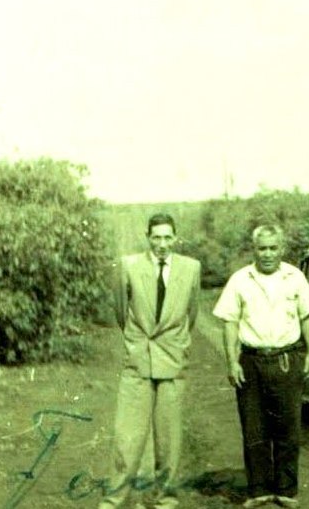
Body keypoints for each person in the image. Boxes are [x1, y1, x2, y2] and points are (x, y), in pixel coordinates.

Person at [212, 224, 309, 509]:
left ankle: (286, 490)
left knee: (288, 427)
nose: (268, 254)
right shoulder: (240, 280)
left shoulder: (294, 277)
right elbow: (229, 322)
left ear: (281, 249)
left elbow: (308, 316)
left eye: (273, 248)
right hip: (251, 360)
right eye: (262, 248)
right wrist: (232, 361)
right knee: (254, 427)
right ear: (254, 250)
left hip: (287, 359)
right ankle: (258, 490)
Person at [99, 213, 201, 509]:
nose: (162, 244)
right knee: (127, 437)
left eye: (168, 237)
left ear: (176, 238)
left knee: (168, 439)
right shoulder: (129, 266)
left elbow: (191, 314)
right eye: (156, 237)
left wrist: (177, 345)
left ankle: (166, 499)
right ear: (147, 237)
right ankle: (114, 499)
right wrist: (135, 343)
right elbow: (121, 310)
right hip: (138, 360)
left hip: (171, 359)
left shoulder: (191, 268)